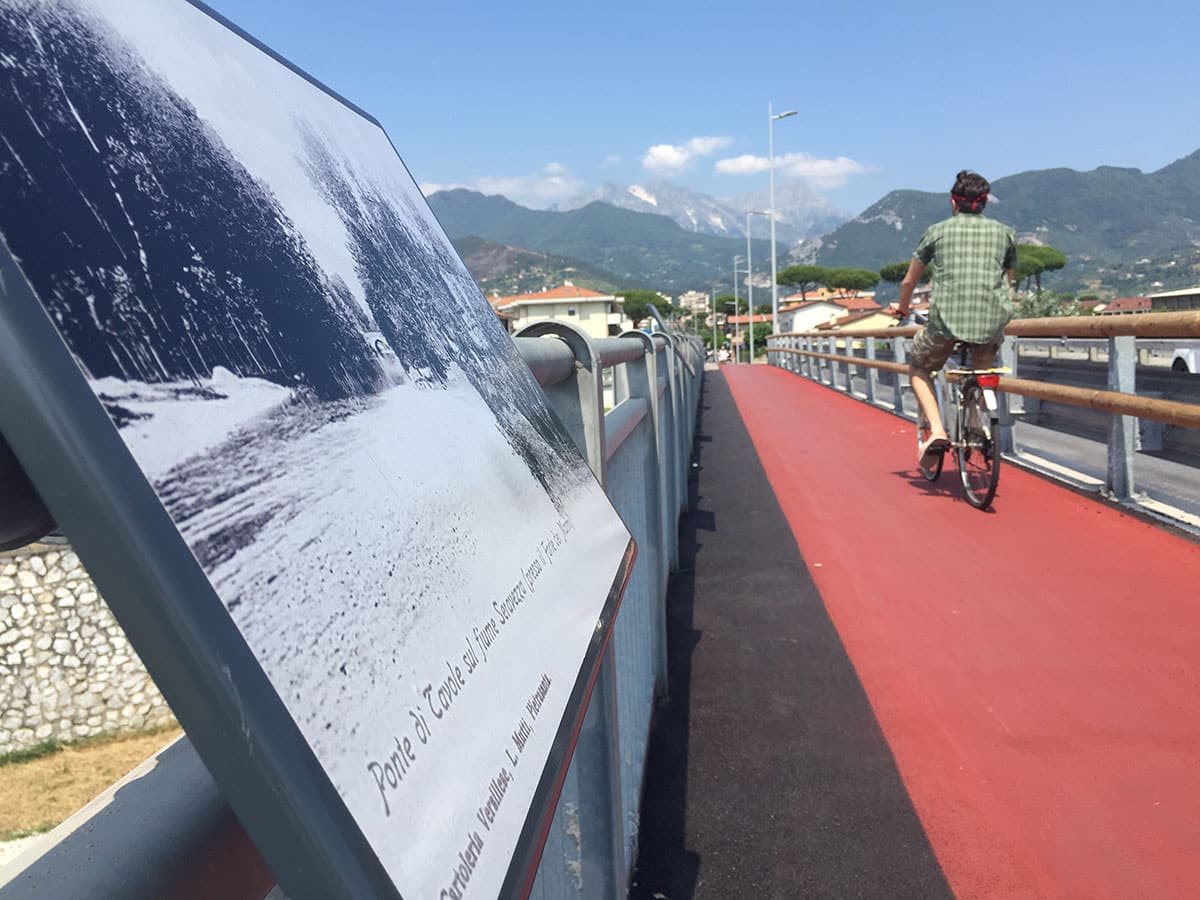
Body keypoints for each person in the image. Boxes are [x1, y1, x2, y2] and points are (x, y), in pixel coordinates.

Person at [887, 170, 1017, 467]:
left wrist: (903, 308)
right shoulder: (1005, 233)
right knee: (983, 366)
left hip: (945, 323)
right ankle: (977, 419)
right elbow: (1009, 281)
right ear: (984, 203)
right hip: (991, 321)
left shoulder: (937, 231)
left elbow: (908, 283)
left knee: (919, 367)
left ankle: (937, 431)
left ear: (953, 202)